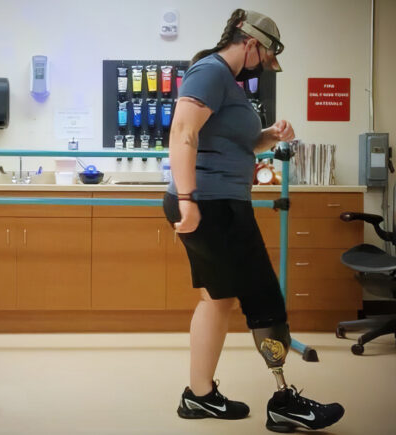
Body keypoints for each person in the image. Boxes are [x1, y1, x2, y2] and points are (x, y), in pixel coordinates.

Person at [163, 9, 344, 433]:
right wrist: (188, 200)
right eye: (263, 57)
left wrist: (269, 136)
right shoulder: (210, 71)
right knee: (263, 296)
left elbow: (230, 141)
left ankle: (199, 396)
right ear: (250, 44)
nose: (262, 65)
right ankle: (284, 402)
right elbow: (182, 134)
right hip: (212, 202)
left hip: (216, 199)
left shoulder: (226, 82)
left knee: (218, 299)